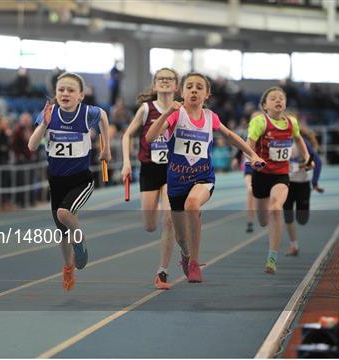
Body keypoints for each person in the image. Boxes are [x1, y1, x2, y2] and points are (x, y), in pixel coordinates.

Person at [146, 72, 263, 283]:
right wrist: (165, 115)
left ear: (207, 94)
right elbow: (150, 137)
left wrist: (252, 154)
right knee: (181, 238)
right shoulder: (176, 114)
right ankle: (186, 254)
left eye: (199, 87)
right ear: (181, 92)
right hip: (176, 182)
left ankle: (194, 263)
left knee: (193, 204)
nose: (194, 90)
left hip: (203, 177)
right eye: (189, 86)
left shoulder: (211, 117)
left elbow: (230, 136)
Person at [28, 72, 111, 291]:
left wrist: (106, 147)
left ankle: (80, 242)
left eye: (71, 90)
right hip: (56, 181)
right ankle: (67, 267)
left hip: (81, 180)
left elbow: (103, 115)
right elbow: (32, 145)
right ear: (55, 93)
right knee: (62, 231)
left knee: (64, 214)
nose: (65, 93)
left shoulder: (86, 113)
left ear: (81, 95)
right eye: (61, 89)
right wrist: (44, 125)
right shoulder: (48, 114)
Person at [121, 68, 178, 290]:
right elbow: (127, 134)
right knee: (150, 225)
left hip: (173, 171)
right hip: (149, 170)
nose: (164, 82)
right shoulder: (146, 109)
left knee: (169, 219)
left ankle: (162, 272)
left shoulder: (181, 110)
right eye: (160, 79)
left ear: (176, 86)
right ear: (154, 86)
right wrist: (126, 162)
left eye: (169, 79)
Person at [246, 86, 313, 274]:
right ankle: (267, 230)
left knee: (276, 208)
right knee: (262, 221)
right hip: (260, 175)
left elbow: (299, 139)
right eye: (273, 98)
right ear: (265, 105)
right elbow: (248, 145)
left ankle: (272, 258)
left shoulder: (292, 123)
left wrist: (307, 157)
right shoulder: (260, 122)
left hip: (281, 176)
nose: (278, 101)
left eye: (281, 98)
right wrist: (253, 158)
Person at [283, 124, 323, 256]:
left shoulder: (302, 142)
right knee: (287, 216)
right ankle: (294, 245)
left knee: (302, 219)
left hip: (302, 184)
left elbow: (316, 161)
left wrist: (314, 181)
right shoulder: (277, 143)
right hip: (286, 184)